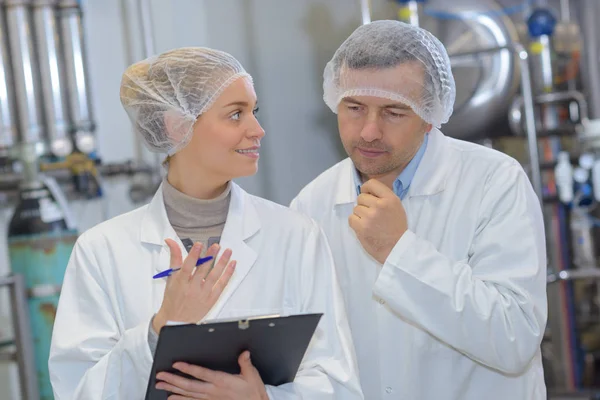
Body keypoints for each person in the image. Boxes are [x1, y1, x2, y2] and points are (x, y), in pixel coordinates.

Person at [48, 47, 363, 400]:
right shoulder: (101, 251)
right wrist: (159, 329)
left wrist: (263, 398)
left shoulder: (296, 236)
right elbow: (77, 390)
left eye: (253, 112)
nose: (257, 129)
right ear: (177, 124)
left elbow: (339, 384)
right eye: (235, 115)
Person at [290, 20, 548, 400]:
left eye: (394, 112)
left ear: (430, 115)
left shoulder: (495, 182)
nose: (369, 132)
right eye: (355, 107)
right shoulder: (311, 205)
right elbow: (310, 355)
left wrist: (399, 251)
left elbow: (513, 337)